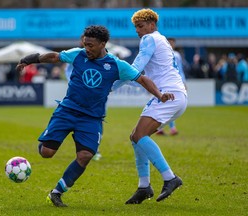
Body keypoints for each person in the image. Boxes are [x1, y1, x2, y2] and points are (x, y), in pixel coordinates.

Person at [16, 25, 174, 207]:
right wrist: (29, 59)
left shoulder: (116, 65)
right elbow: (54, 56)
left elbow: (142, 79)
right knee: (47, 153)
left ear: (103, 44)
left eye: (91, 45)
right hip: (67, 111)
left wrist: (160, 95)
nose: (87, 49)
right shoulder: (78, 54)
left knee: (85, 155)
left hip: (91, 118)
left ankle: (56, 193)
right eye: (85, 44)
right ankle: (47, 141)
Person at [124, 9, 187, 204]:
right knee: (135, 137)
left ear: (152, 24)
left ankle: (170, 178)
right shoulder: (162, 40)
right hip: (175, 95)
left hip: (168, 95)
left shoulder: (149, 39)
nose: (138, 31)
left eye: (141, 26)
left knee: (139, 136)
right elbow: (137, 78)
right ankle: (144, 187)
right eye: (136, 28)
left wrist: (110, 82)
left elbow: (134, 69)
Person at [64, 34, 102, 161]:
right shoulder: (76, 54)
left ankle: (94, 148)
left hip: (96, 95)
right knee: (75, 117)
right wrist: (74, 81)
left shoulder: (99, 56)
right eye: (84, 41)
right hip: (78, 92)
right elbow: (67, 69)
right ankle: (82, 147)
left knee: (98, 118)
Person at [156, 38, 187, 136]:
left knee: (170, 105)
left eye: (172, 43)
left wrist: (184, 82)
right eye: (169, 43)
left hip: (175, 83)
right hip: (164, 83)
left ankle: (166, 128)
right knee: (164, 105)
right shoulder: (161, 53)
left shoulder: (176, 55)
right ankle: (164, 128)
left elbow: (180, 69)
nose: (171, 45)